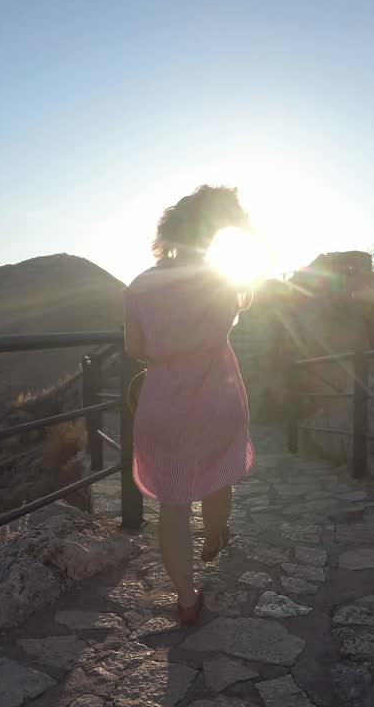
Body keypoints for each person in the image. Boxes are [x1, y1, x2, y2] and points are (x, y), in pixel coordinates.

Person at [122, 185, 256, 624]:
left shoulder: (139, 285)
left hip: (164, 404)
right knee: (220, 473)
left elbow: (134, 347)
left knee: (172, 505)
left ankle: (186, 598)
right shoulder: (225, 280)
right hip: (217, 399)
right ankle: (215, 535)